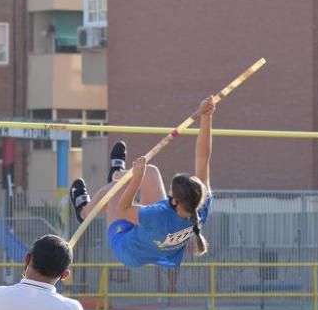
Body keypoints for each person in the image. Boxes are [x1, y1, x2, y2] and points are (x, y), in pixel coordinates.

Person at [69, 96, 216, 268]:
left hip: (128, 248)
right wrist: (206, 117)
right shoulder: (200, 209)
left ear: (174, 201)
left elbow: (123, 210)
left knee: (117, 189)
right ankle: (117, 173)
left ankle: (84, 211)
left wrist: (136, 178)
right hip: (153, 240)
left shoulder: (157, 216)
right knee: (151, 172)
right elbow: (203, 158)